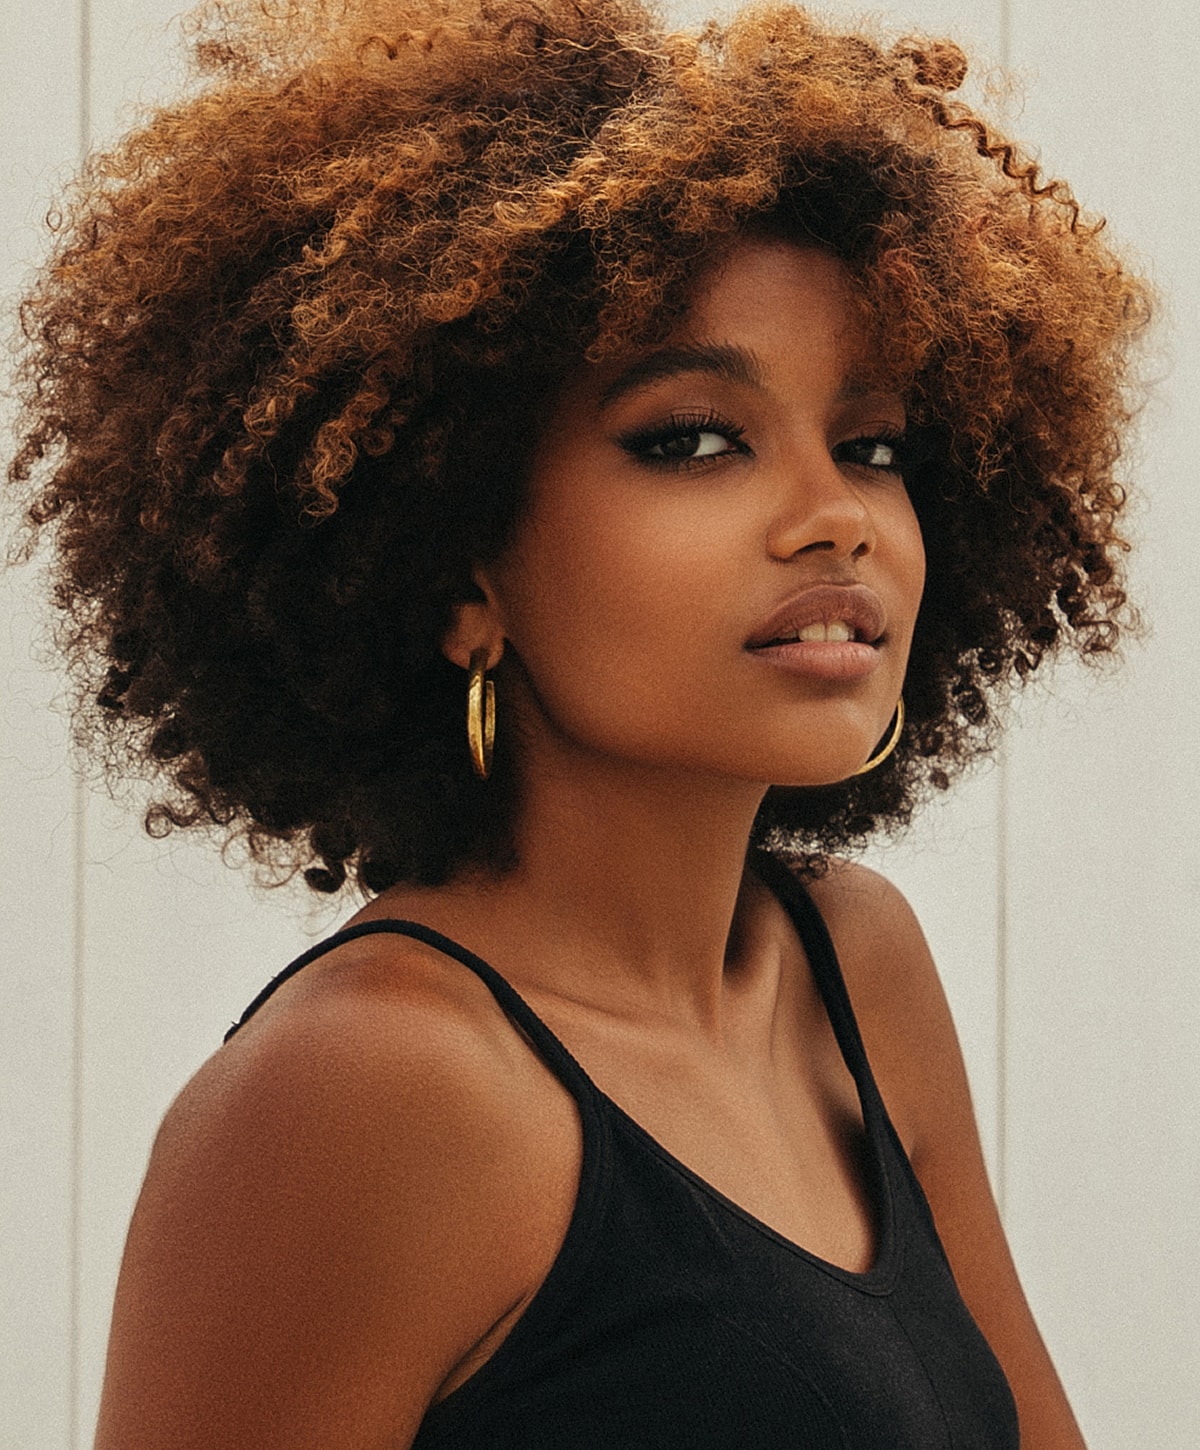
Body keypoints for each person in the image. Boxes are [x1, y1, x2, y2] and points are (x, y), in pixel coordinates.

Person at [8, 0, 1149, 1444]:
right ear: (456, 569)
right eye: (694, 439)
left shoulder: (856, 969)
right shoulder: (368, 1088)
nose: (836, 516)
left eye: (871, 445)